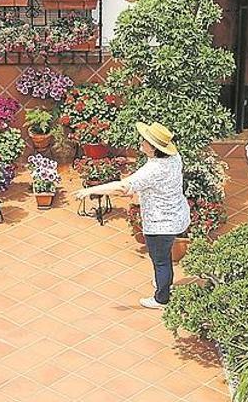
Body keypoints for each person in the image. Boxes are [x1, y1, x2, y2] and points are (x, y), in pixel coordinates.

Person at [74, 121, 189, 310]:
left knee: (160, 260)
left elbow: (122, 188)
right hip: (177, 215)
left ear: (154, 148)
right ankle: (164, 282)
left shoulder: (153, 170)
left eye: (145, 140)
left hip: (161, 223)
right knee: (165, 256)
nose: (141, 142)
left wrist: (90, 190)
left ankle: (162, 298)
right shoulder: (174, 158)